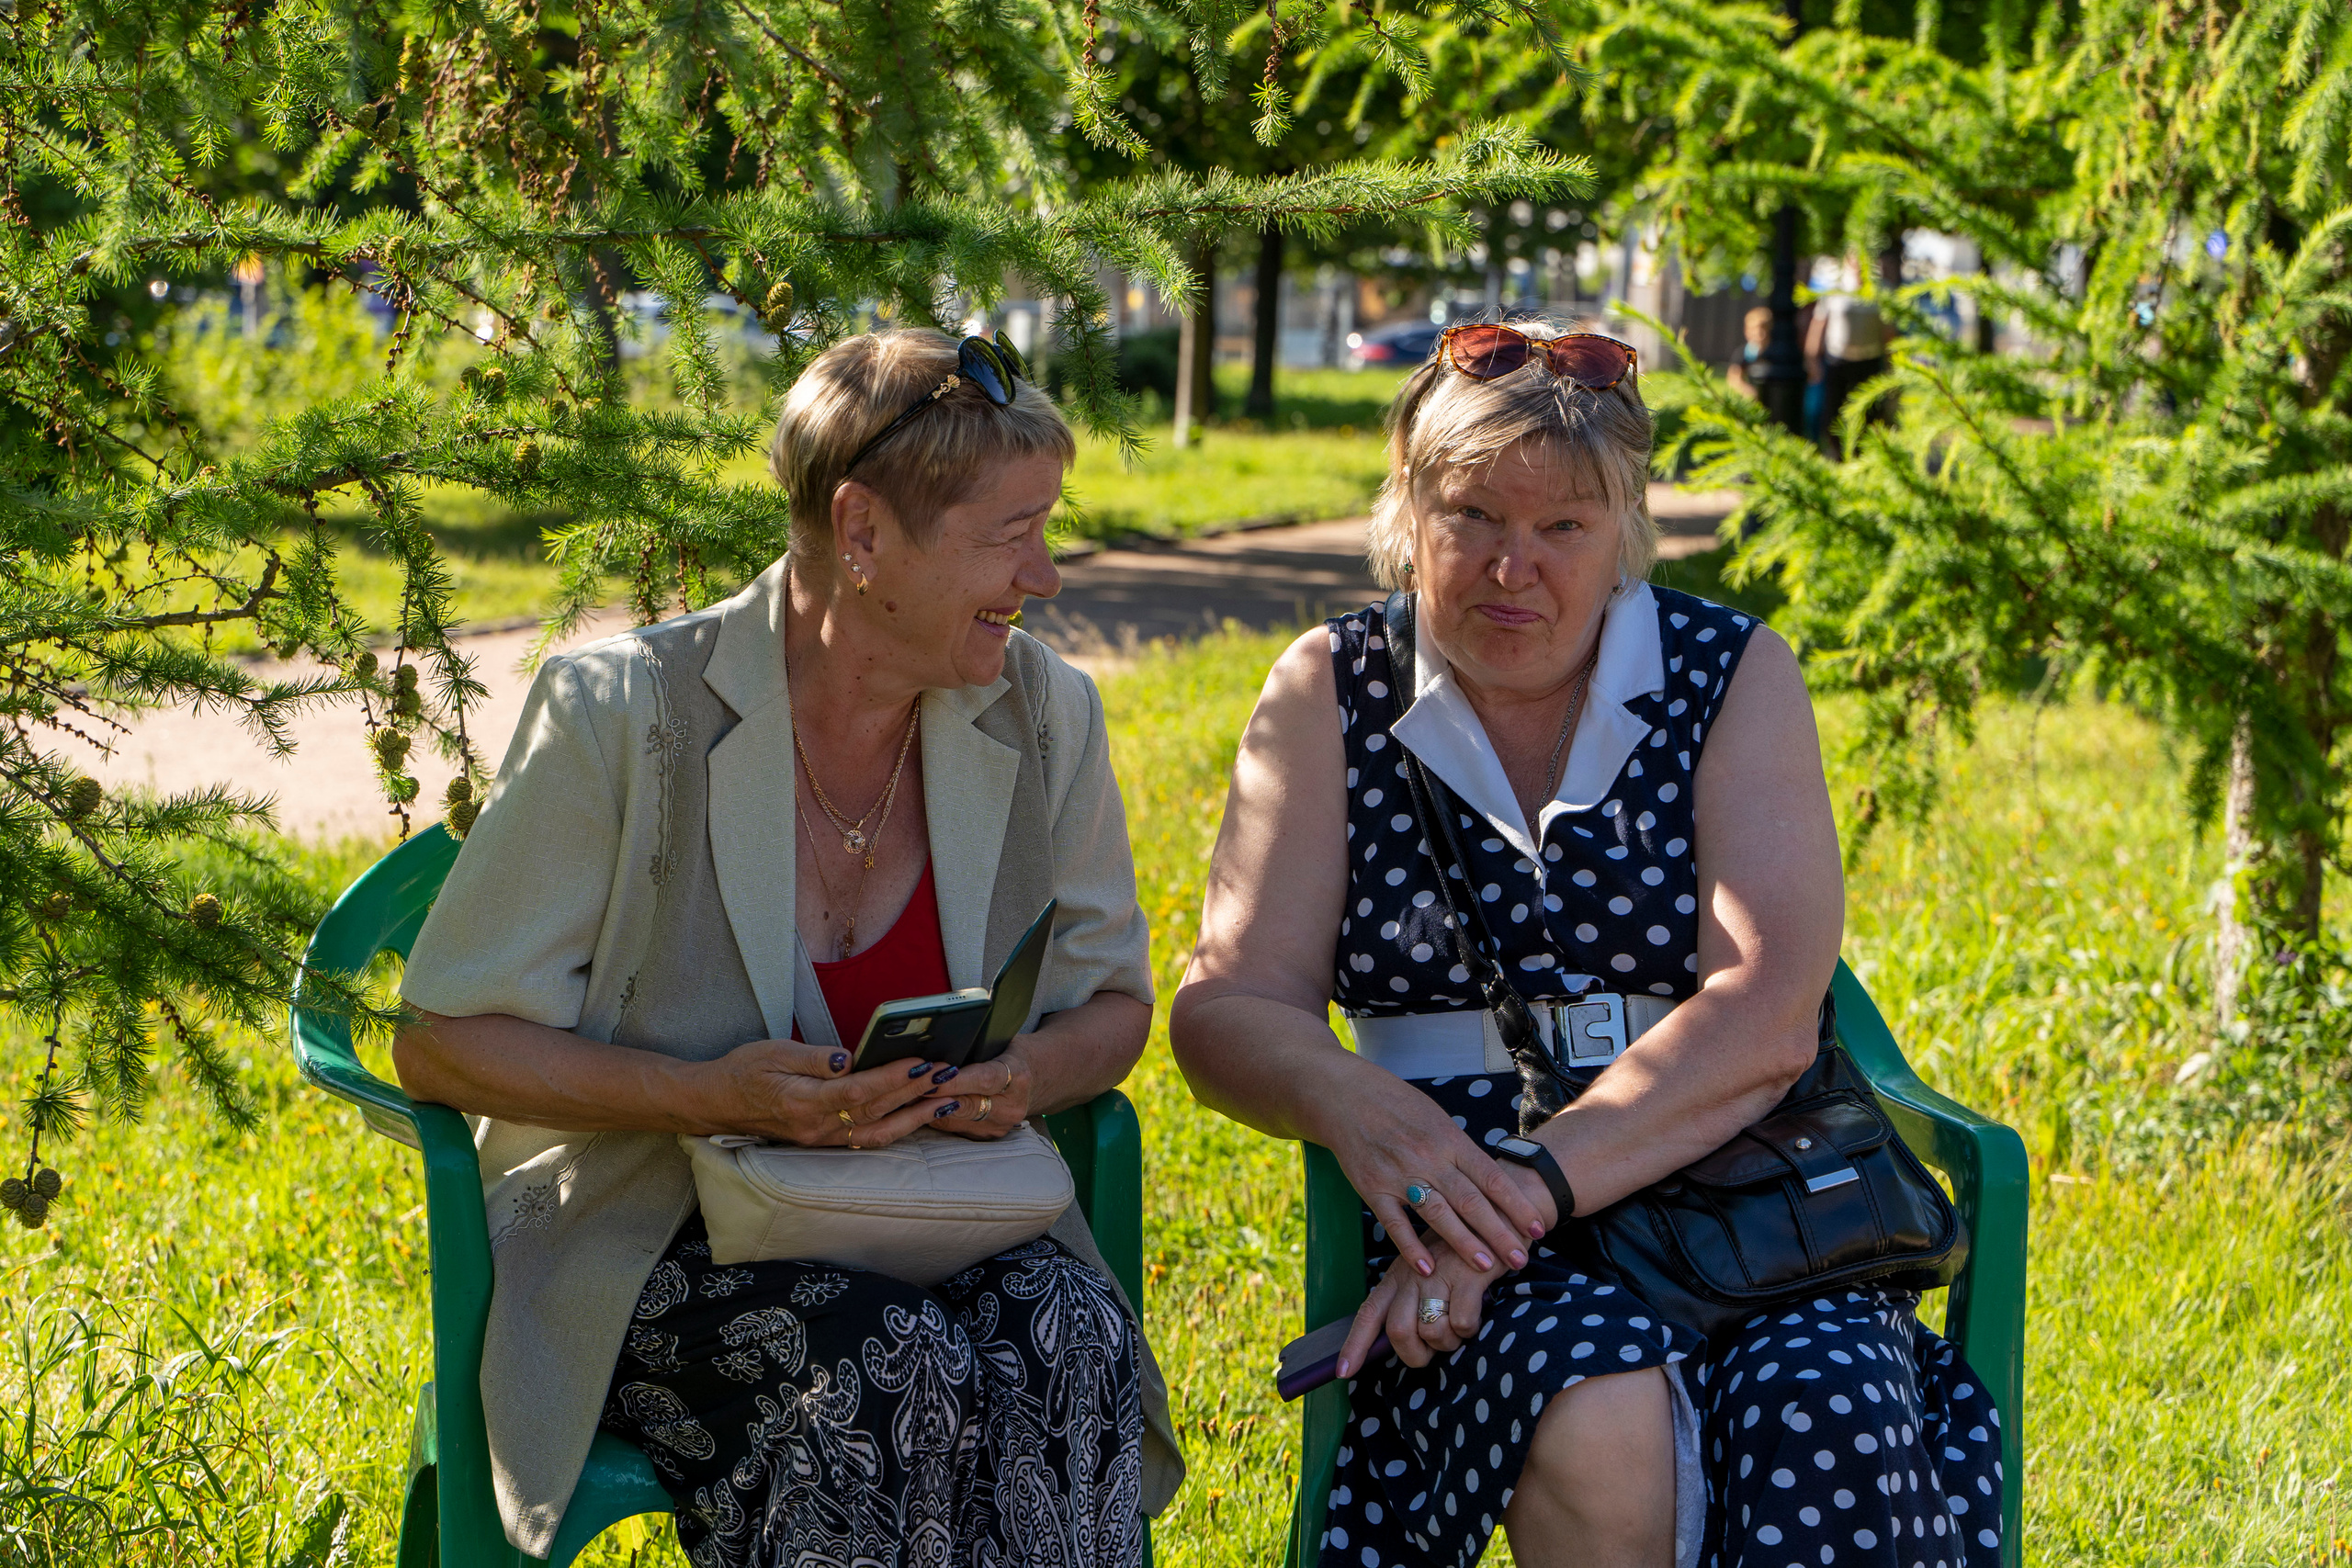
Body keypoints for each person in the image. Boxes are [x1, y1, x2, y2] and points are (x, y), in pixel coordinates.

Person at [1169, 318, 2002, 1568]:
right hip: (1456, 1195)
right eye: (1473, 520)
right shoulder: (1330, 685)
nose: (1517, 569)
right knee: (1590, 1409)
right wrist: (1350, 1102)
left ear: (1627, 528)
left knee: (1824, 1401)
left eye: (1563, 528)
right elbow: (1228, 1003)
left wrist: (1527, 1193)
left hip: (1726, 1176)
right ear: (1410, 508)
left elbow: (1770, 1010)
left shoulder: (1730, 671)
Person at [393, 328, 1183, 1568]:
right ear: (862, 533)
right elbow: (440, 1045)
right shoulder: (624, 714)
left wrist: (1023, 1079)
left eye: (1050, 524)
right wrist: (701, 1096)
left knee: (1072, 1328)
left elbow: (1113, 1008)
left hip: (934, 1211)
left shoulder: (1043, 712)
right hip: (657, 1237)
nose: (1046, 574)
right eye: (1007, 533)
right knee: (890, 1365)